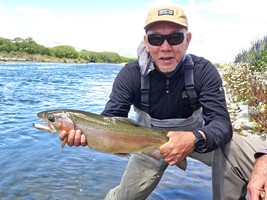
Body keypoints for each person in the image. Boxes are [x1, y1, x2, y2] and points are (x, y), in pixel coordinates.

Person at [60, 5, 233, 200]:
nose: (165, 47)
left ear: (187, 40)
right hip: (145, 144)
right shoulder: (131, 74)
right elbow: (110, 119)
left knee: (253, 162)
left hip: (197, 139)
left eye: (175, 38)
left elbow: (222, 124)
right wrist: (89, 135)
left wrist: (195, 138)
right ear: (146, 42)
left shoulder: (203, 71)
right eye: (156, 39)